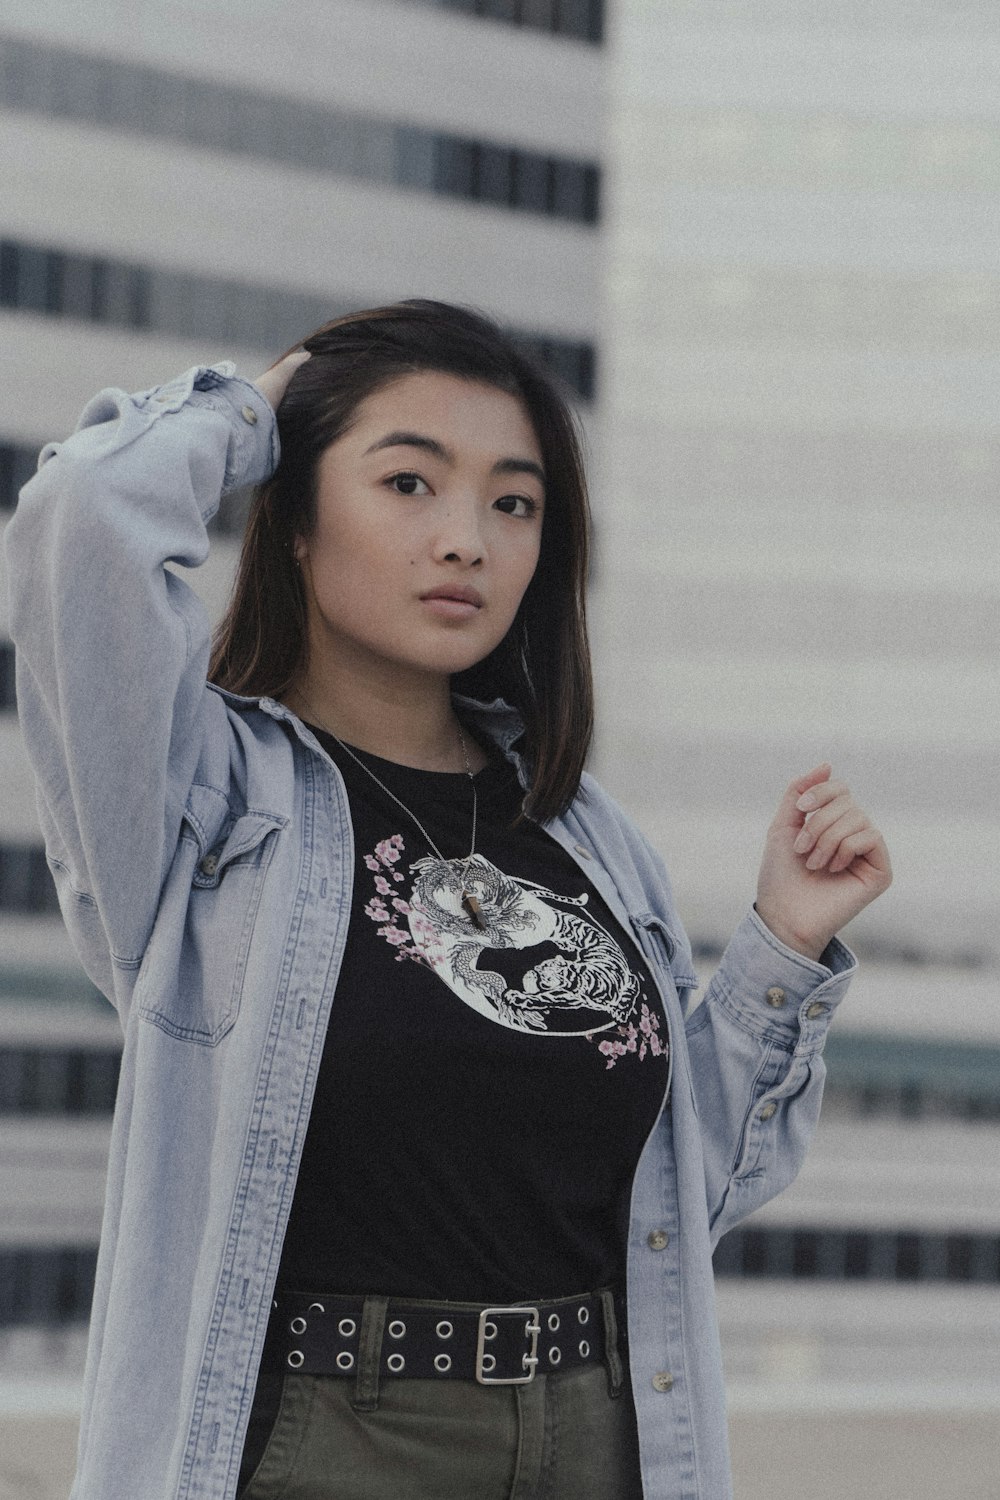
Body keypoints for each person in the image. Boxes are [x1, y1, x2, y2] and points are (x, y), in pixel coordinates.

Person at [4, 301, 891, 1500]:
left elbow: (686, 1185)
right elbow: (81, 518)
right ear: (298, 521)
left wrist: (783, 940)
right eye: (409, 484)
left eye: (511, 503)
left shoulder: (584, 834)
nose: (467, 538)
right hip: (326, 1440)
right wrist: (263, 404)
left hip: (599, 1434)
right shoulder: (207, 798)